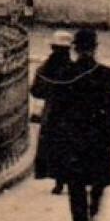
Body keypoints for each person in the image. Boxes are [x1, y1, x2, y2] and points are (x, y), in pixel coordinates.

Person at [30, 28, 110, 221]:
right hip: (99, 136)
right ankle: (93, 209)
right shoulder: (107, 75)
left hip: (72, 136)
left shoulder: (65, 74)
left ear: (75, 48)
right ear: (95, 48)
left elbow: (44, 94)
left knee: (76, 181)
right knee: (99, 177)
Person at [32, 30, 75, 195]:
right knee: (69, 146)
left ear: (52, 48)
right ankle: (66, 179)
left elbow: (36, 91)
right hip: (70, 114)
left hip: (53, 113)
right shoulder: (73, 68)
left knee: (55, 145)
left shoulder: (45, 68)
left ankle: (59, 181)